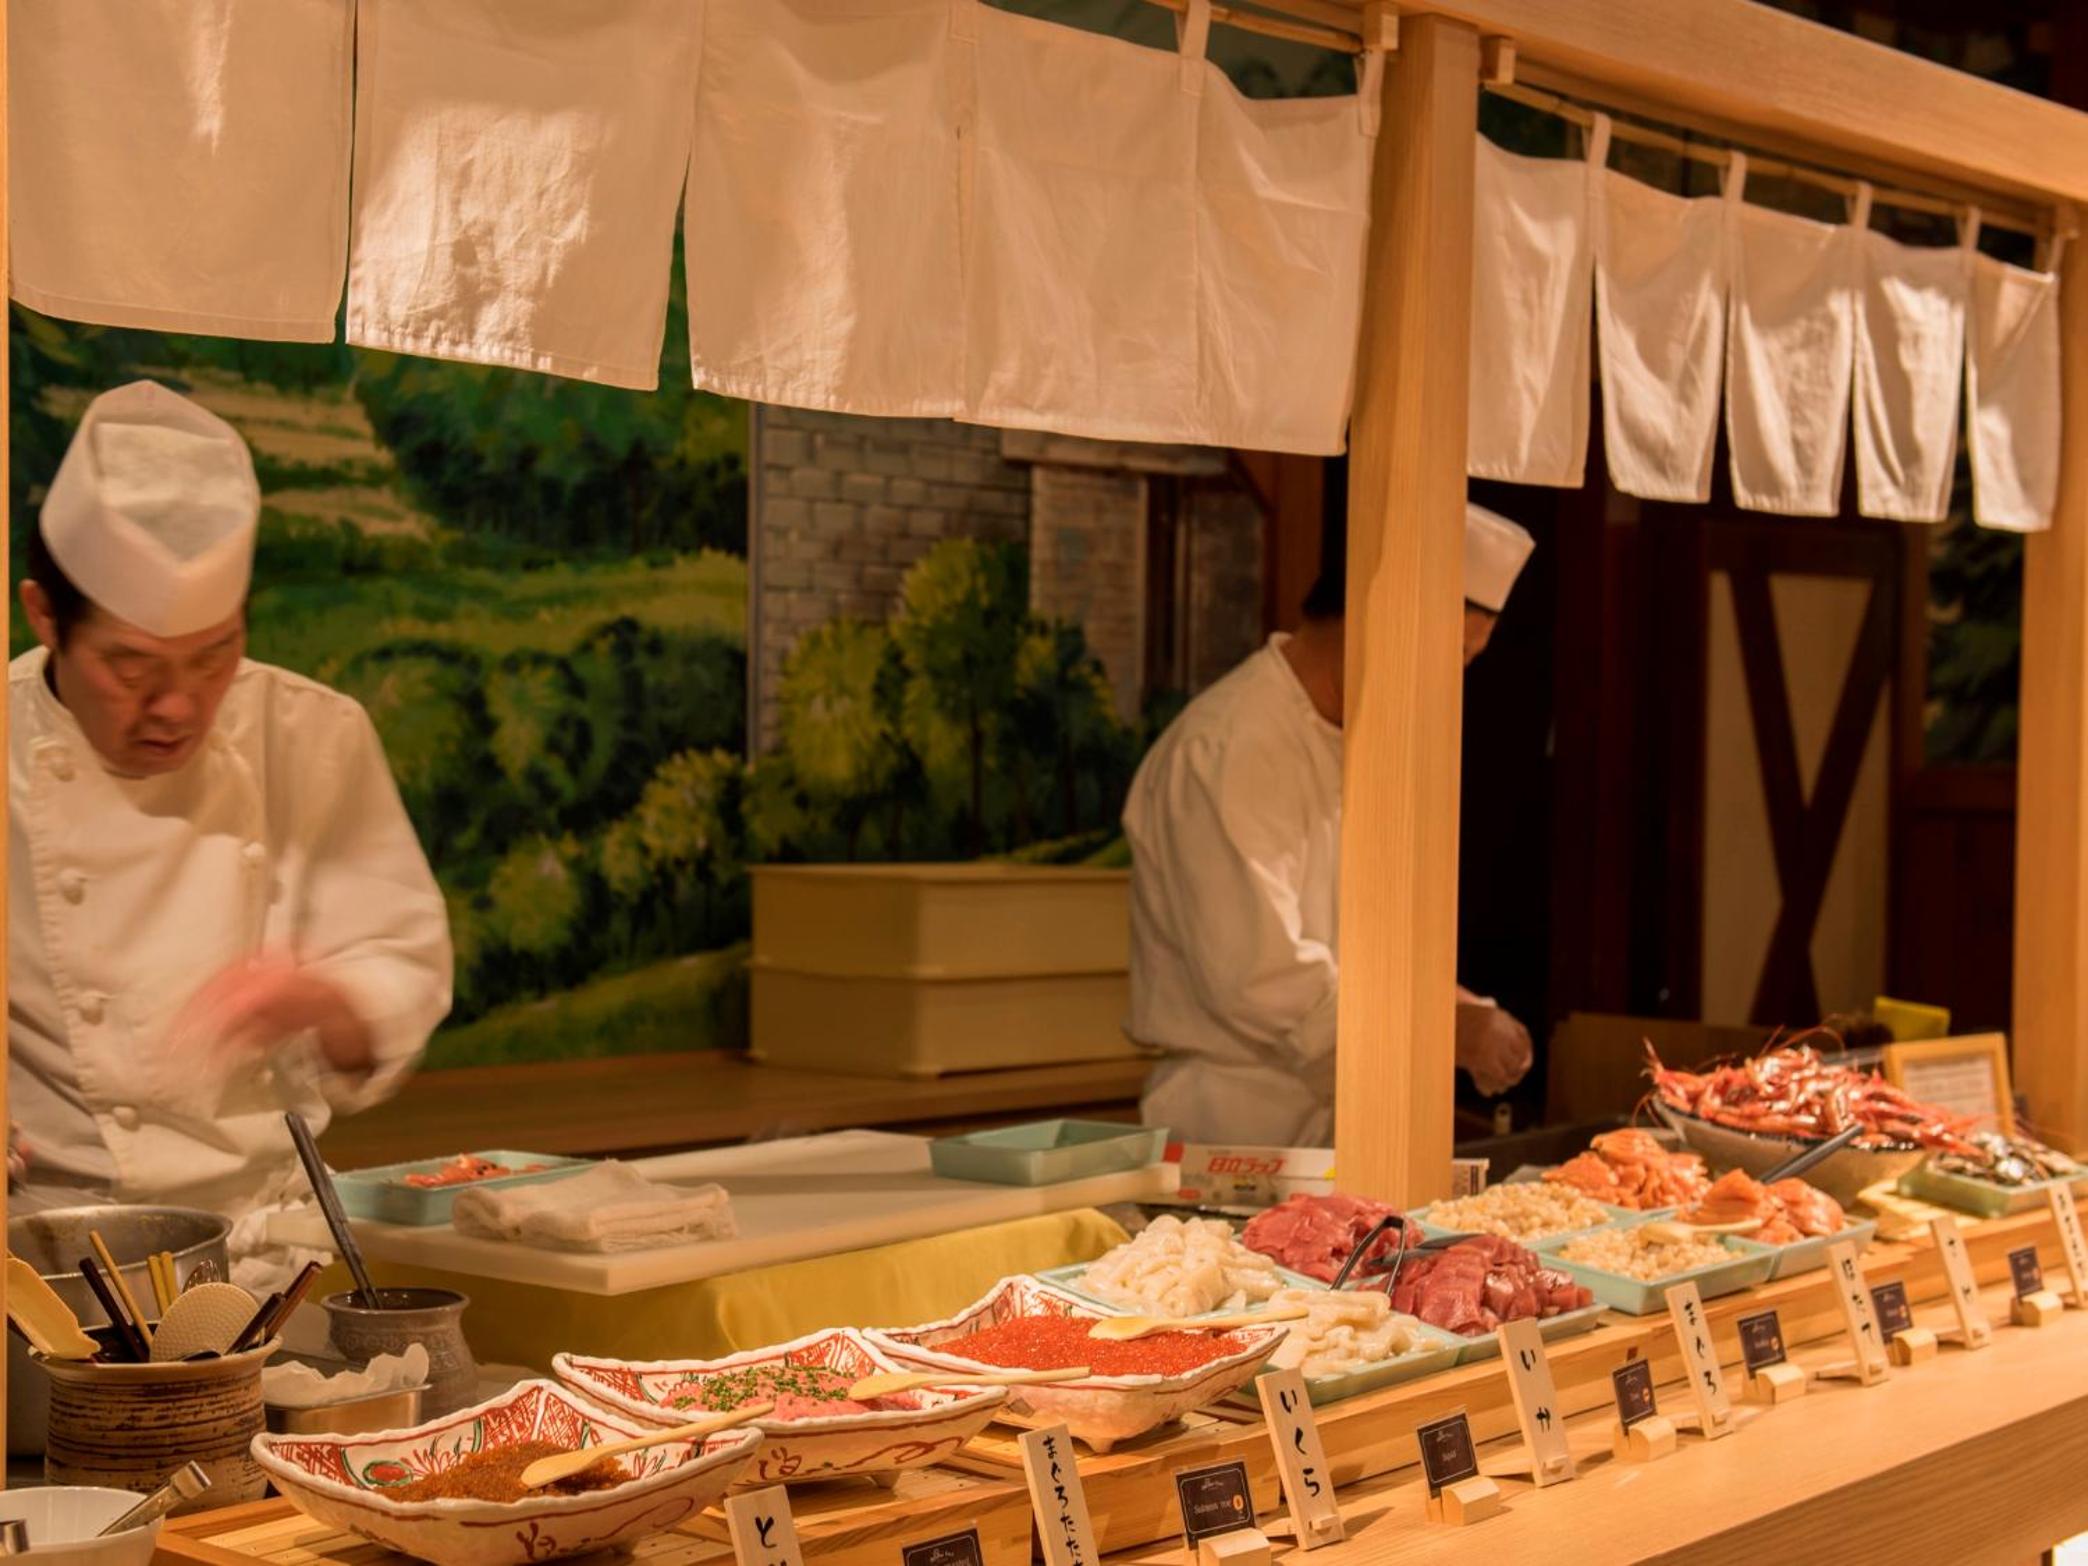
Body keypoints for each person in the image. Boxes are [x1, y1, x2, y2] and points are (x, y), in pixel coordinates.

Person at [9, 381, 453, 1221]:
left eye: (214, 657)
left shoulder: (310, 732)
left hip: (267, 1235)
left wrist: (332, 1004)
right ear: (44, 617)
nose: (177, 706)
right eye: (132, 666)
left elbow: (398, 958)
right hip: (44, 1237)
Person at [1122, 500, 1537, 1147]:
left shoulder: (1359, 741)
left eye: (1467, 661)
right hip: (1235, 1123)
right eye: (1451, 654)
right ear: (1376, 612)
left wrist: (1453, 1003)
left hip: (1345, 1114)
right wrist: (1439, 1030)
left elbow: (1357, 945)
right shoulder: (1229, 745)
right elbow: (1260, 977)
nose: (1451, 684)